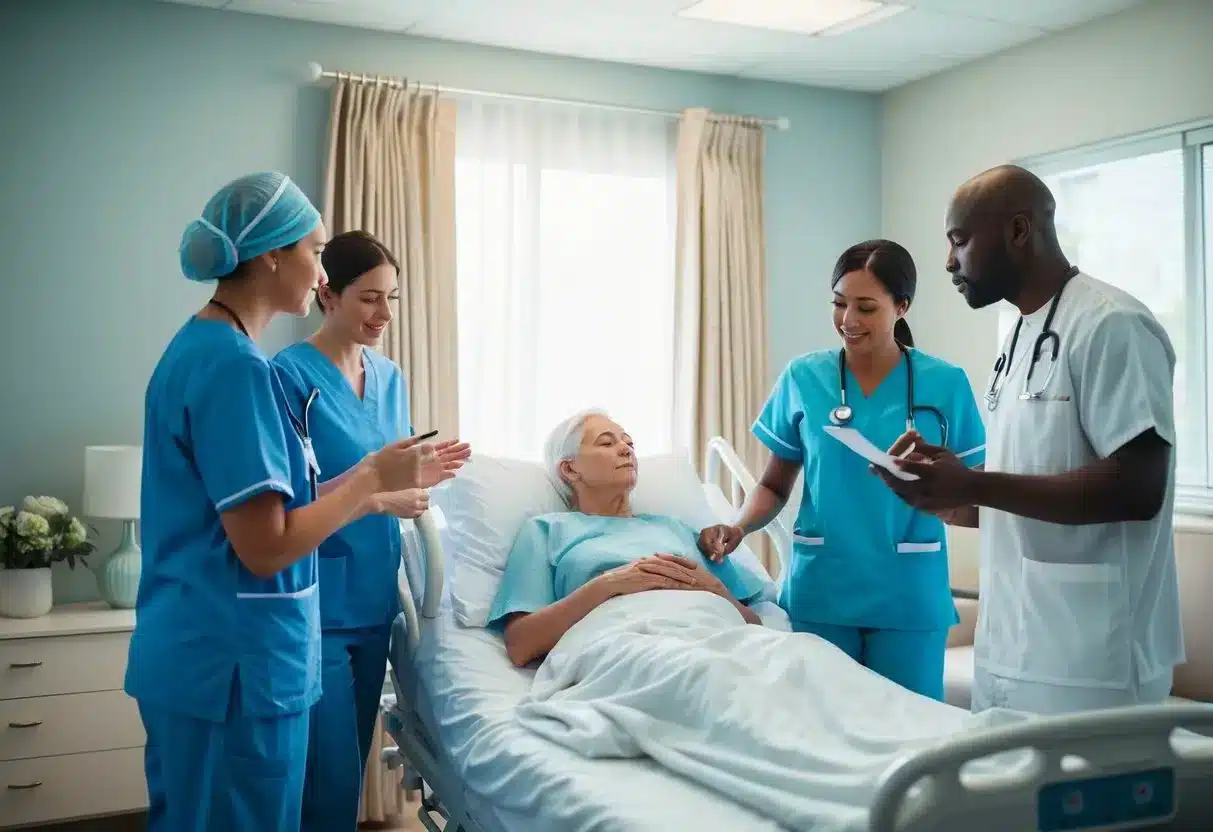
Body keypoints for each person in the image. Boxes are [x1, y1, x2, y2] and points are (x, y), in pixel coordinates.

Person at [126, 173, 434, 832]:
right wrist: (370, 478)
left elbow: (267, 511)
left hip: (214, 656)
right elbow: (265, 547)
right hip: (233, 665)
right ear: (271, 256)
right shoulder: (237, 369)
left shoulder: (205, 349)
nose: (321, 271)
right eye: (315, 251)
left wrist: (374, 492)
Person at [874, 164, 1184, 716]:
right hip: (1012, 646)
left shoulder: (1111, 325)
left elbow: (1139, 487)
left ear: (1019, 231)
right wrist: (945, 494)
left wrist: (976, 483)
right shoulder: (1020, 334)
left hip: (1096, 661)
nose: (948, 262)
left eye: (959, 240)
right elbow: (1023, 486)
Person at [697, 240, 986, 702]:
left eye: (866, 307)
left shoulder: (945, 383)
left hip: (908, 596)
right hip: (823, 592)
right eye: (839, 303)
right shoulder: (803, 378)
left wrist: (940, 496)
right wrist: (738, 526)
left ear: (902, 307)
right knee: (822, 726)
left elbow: (978, 495)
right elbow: (773, 485)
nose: (848, 320)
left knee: (911, 730)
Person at [272, 230, 471, 832]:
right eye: (368, 298)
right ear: (327, 295)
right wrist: (379, 495)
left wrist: (420, 479)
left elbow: (393, 476)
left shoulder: (390, 377)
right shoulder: (288, 378)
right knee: (326, 781)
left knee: (349, 768)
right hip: (317, 601)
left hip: (374, 598)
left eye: (391, 298)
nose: (384, 313)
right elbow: (287, 502)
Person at [487, 410, 769, 667]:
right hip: (627, 649)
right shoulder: (547, 531)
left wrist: (715, 589)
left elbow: (754, 624)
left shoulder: (676, 529)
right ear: (570, 469)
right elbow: (521, 645)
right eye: (606, 443)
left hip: (714, 639)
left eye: (629, 443)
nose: (626, 450)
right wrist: (610, 584)